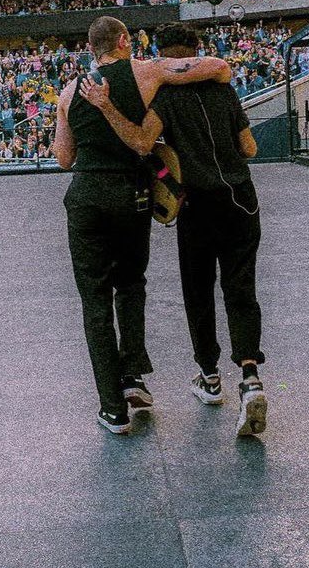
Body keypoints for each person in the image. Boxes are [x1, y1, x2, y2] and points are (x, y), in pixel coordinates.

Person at [79, 22, 268, 438]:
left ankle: (210, 376)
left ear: (165, 53)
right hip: (241, 199)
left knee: (198, 292)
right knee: (241, 289)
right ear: (195, 52)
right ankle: (250, 376)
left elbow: (142, 143)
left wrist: (109, 109)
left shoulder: (164, 96)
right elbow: (250, 148)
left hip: (198, 205)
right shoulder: (225, 90)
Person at [51, 15, 232, 436]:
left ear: (91, 49)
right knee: (130, 283)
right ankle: (133, 378)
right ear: (123, 40)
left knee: (94, 300)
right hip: (129, 195)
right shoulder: (147, 71)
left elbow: (63, 158)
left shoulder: (67, 91)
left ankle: (113, 408)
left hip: (85, 198)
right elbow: (219, 68)